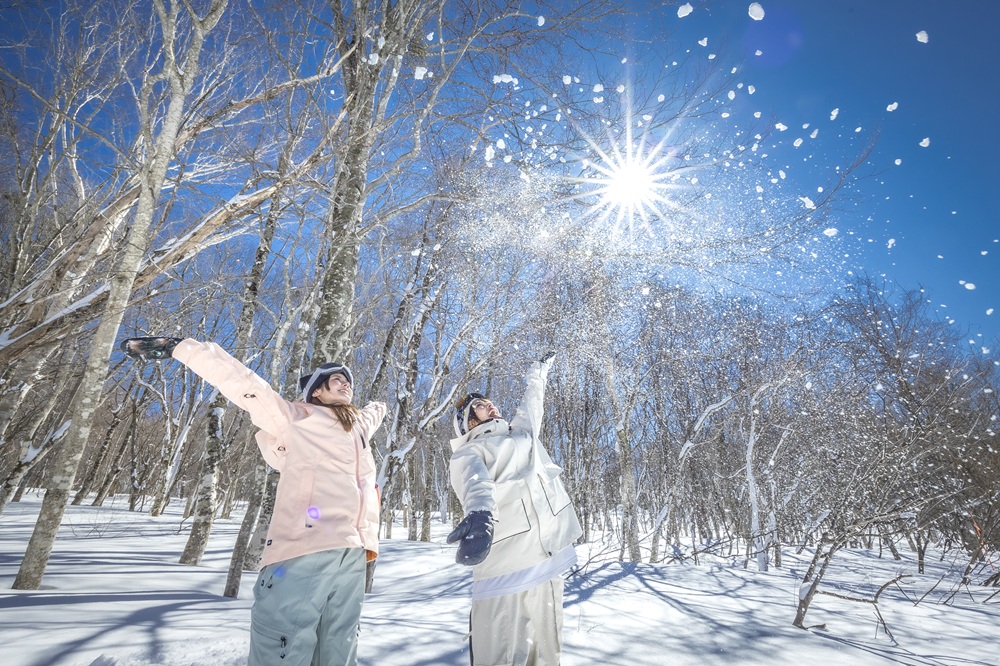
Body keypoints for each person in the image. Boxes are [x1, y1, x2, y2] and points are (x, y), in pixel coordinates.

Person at [120, 336, 385, 666]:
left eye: (348, 380)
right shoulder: (297, 418)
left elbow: (373, 414)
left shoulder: (357, 428)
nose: (345, 382)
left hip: (354, 553)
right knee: (285, 644)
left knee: (340, 645)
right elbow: (247, 385)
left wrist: (379, 406)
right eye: (336, 379)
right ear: (317, 391)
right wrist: (181, 348)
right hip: (305, 548)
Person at [447, 351, 582, 666]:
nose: (489, 405)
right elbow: (475, 486)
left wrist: (537, 373)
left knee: (548, 653)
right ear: (467, 421)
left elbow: (532, 404)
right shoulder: (469, 451)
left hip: (549, 557)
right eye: (479, 405)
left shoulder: (521, 434)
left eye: (488, 402)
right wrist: (480, 516)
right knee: (503, 653)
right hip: (506, 568)